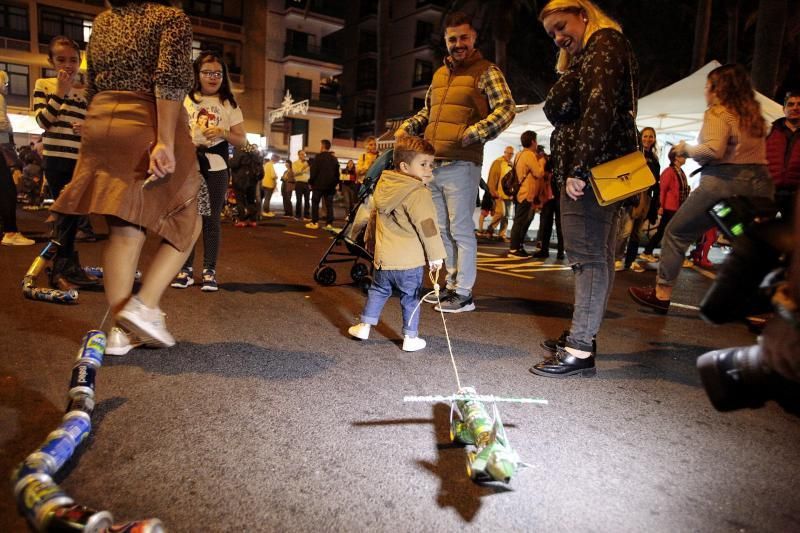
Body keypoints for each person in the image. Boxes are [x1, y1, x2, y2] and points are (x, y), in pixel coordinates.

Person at [49, 0, 202, 355]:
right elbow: (170, 80)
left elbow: (93, 83)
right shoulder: (170, 18)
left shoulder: (102, 22)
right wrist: (165, 139)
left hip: (102, 120)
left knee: (123, 228)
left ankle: (120, 332)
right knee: (188, 216)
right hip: (146, 120)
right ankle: (144, 306)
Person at [530, 0, 638, 378]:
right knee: (599, 256)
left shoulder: (605, 43)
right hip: (602, 164)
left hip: (593, 167)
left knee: (587, 256)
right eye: (552, 34)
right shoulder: (594, 52)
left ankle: (579, 348)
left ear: (584, 15)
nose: (559, 37)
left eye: (562, 26)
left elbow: (600, 106)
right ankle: (583, 337)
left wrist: (579, 166)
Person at [629, 64, 774, 314]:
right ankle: (764, 305)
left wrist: (684, 149)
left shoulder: (718, 112)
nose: (706, 93)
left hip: (721, 186)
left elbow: (712, 150)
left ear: (718, 89)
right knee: (748, 242)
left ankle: (661, 294)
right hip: (757, 187)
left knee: (677, 232)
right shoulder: (753, 116)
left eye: (708, 87)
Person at [396, 11, 515, 313]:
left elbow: (506, 108)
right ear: (446, 42)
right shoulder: (439, 75)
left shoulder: (486, 70)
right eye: (452, 39)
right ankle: (450, 286)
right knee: (440, 230)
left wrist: (475, 132)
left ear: (474, 38)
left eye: (464, 37)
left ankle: (464, 293)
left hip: (463, 164)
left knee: (461, 230)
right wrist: (407, 127)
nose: (458, 44)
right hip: (433, 166)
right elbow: (428, 114)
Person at [347, 136, 446, 352]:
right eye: (423, 164)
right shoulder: (418, 192)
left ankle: (364, 326)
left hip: (384, 258)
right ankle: (410, 338)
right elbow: (428, 226)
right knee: (410, 298)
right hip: (409, 262)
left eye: (432, 164)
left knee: (378, 290)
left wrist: (370, 242)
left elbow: (374, 217)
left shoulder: (385, 184)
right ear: (404, 166)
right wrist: (436, 255)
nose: (430, 169)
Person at [171, 51, 246, 291]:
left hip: (217, 165)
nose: (213, 78)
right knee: (188, 218)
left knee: (211, 219)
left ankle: (209, 271)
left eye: (218, 73)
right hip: (188, 164)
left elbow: (241, 140)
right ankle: (186, 270)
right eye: (207, 73)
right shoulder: (186, 99)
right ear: (197, 74)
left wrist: (224, 133)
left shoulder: (229, 104)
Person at [33, 36, 99, 285]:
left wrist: (86, 127)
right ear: (50, 60)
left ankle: (68, 264)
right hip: (56, 158)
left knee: (75, 213)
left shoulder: (86, 91)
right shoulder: (44, 84)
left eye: (73, 59)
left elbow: (95, 124)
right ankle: (62, 268)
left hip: (81, 158)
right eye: (61, 59)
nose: (67, 65)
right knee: (65, 214)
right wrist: (60, 92)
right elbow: (42, 122)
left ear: (80, 60)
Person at [614, 127, 660, 272]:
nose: (648, 139)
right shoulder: (634, 154)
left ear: (654, 139)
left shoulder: (654, 158)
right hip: (632, 196)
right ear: (640, 137)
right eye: (645, 136)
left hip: (646, 197)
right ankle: (616, 258)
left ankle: (631, 260)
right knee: (625, 230)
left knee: (637, 232)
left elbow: (656, 180)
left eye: (651, 136)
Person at [1, 71, 35, 246]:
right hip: (1, 148)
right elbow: (2, 123)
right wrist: (9, 132)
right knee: (8, 190)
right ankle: (10, 231)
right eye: (5, 83)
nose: (6, 87)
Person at [640, 147, 690, 260]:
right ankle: (650, 252)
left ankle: (650, 252)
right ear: (676, 157)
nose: (685, 158)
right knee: (666, 231)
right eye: (683, 156)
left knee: (664, 231)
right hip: (670, 207)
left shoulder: (679, 171)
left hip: (676, 207)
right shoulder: (669, 172)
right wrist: (661, 206)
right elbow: (663, 190)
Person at [508, 131, 546, 257]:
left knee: (519, 220)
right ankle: (514, 249)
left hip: (519, 192)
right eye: (536, 140)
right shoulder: (529, 155)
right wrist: (542, 162)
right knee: (520, 221)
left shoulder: (519, 154)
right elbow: (539, 173)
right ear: (532, 142)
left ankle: (517, 246)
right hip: (526, 192)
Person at [766, 91, 800, 222]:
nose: (795, 107)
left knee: (793, 237)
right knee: (764, 232)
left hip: (796, 196)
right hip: (769, 192)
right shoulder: (769, 130)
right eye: (791, 104)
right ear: (784, 109)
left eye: (799, 104)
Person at [533, 150, 565, 259]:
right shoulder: (550, 163)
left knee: (554, 225)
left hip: (555, 198)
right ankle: (550, 251)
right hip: (551, 199)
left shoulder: (556, 163)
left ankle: (558, 251)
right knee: (550, 225)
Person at [306, 139, 340, 230]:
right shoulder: (334, 158)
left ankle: (315, 222)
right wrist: (335, 183)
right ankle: (329, 223)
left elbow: (314, 171)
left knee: (315, 203)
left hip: (318, 185)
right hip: (330, 186)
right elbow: (337, 173)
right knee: (329, 205)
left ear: (322, 146)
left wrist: (310, 182)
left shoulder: (318, 157)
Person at [484, 146, 514, 240]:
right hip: (499, 194)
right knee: (501, 212)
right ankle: (490, 229)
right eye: (508, 153)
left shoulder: (512, 164)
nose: (510, 155)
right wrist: (493, 191)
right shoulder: (498, 162)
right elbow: (492, 178)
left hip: (509, 195)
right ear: (504, 152)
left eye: (511, 154)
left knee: (506, 216)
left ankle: (502, 234)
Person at [230, 143, 263, 228]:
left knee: (240, 200)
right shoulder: (254, 152)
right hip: (252, 179)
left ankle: (242, 220)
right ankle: (253, 220)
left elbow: (234, 164)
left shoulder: (239, 150)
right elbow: (260, 167)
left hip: (240, 179)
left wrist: (229, 160)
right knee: (251, 200)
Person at [292, 149, 311, 220]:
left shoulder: (308, 163)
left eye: (304, 154)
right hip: (299, 183)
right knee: (299, 200)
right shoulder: (295, 163)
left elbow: (310, 174)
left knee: (307, 200)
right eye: (302, 154)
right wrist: (303, 168)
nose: (303, 156)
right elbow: (295, 173)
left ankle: (306, 215)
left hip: (306, 183)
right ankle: (298, 215)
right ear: (299, 155)